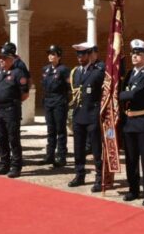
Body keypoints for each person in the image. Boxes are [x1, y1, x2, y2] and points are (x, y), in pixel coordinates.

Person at [120, 39, 144, 206]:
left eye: (139, 54)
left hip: (143, 121)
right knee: (131, 158)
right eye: (133, 54)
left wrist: (118, 96)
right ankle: (133, 189)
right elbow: (125, 90)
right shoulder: (129, 74)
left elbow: (137, 94)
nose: (135, 57)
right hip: (129, 122)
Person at [67, 43, 105, 191]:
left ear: (89, 55)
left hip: (92, 114)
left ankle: (99, 178)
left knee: (96, 148)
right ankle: (79, 174)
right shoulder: (76, 72)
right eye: (78, 55)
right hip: (78, 114)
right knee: (78, 147)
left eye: (82, 55)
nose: (80, 58)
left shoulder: (98, 71)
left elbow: (103, 93)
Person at [0, 45, 30, 178]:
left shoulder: (18, 72)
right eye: (0, 58)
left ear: (11, 59)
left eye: (4, 58)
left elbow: (25, 94)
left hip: (11, 110)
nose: (1, 60)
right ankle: (4, 164)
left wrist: (14, 103)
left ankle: (16, 166)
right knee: (1, 138)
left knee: (13, 139)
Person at [41, 44, 70, 168]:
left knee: (60, 130)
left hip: (59, 101)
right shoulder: (46, 69)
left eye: (53, 54)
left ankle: (61, 156)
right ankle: (50, 155)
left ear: (59, 56)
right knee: (50, 129)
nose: (50, 56)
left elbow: (69, 86)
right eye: (49, 54)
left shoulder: (64, 69)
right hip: (48, 101)